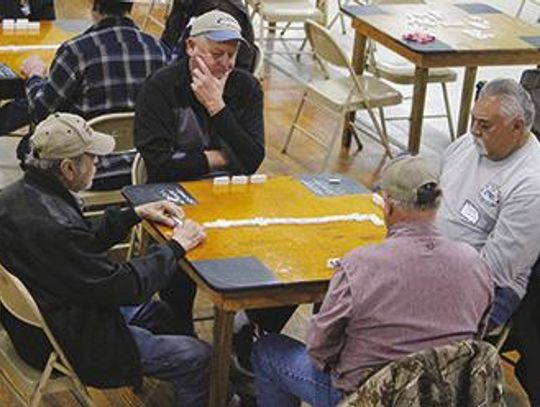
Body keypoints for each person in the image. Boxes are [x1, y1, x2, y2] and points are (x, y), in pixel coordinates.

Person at [0, 113, 210, 407]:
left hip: (35, 327)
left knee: (162, 315)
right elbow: (124, 285)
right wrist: (176, 246)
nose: (98, 163)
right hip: (70, 341)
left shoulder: (15, 197)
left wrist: (133, 213)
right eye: (92, 158)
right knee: (199, 358)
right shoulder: (58, 225)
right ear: (69, 168)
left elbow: (79, 245)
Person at [251, 156, 494, 407]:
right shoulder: (475, 264)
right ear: (437, 205)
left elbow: (319, 349)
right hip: (446, 396)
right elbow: (476, 338)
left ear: (387, 205)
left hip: (371, 398)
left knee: (267, 351)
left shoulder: (360, 265)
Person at [0, 0, 170, 190]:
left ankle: (54, 209)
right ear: (130, 8)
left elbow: (41, 112)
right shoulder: (158, 49)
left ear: (95, 7)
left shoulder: (76, 51)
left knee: (27, 146)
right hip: (142, 167)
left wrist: (34, 77)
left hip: (85, 171)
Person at [437, 78, 540, 328]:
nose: (474, 130)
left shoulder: (531, 184)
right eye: (473, 120)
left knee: (398, 318)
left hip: (487, 288)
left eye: (485, 125)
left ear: (517, 126)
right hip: (434, 257)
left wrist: (430, 274)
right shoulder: (470, 143)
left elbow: (496, 271)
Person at [134, 9, 264, 183]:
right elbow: (160, 166)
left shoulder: (247, 87)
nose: (226, 64)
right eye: (217, 54)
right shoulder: (160, 86)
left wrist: (217, 107)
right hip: (175, 190)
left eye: (232, 55)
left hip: (232, 189)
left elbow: (252, 160)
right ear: (191, 46)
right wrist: (225, 157)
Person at [161, 0, 257, 72]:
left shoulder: (220, 10)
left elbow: (222, 66)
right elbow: (167, 42)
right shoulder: (185, 3)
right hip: (178, 71)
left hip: (216, 81)